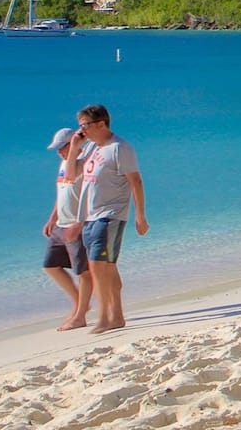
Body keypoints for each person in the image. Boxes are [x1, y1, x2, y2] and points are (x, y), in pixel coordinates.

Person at [75, 104, 149, 334]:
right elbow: (71, 174)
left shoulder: (120, 148)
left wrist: (140, 215)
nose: (81, 131)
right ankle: (116, 316)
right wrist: (73, 148)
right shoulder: (89, 148)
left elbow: (135, 181)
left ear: (101, 124)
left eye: (85, 126)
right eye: (80, 126)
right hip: (89, 215)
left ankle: (105, 317)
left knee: (98, 266)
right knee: (107, 268)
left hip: (111, 215)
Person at [41, 128, 94, 331]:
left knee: (84, 271)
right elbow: (61, 193)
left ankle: (80, 314)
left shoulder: (85, 162)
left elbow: (89, 194)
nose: (58, 152)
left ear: (72, 144)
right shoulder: (63, 164)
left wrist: (80, 222)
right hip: (61, 224)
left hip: (77, 224)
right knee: (50, 265)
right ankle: (79, 303)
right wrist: (51, 219)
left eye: (61, 147)